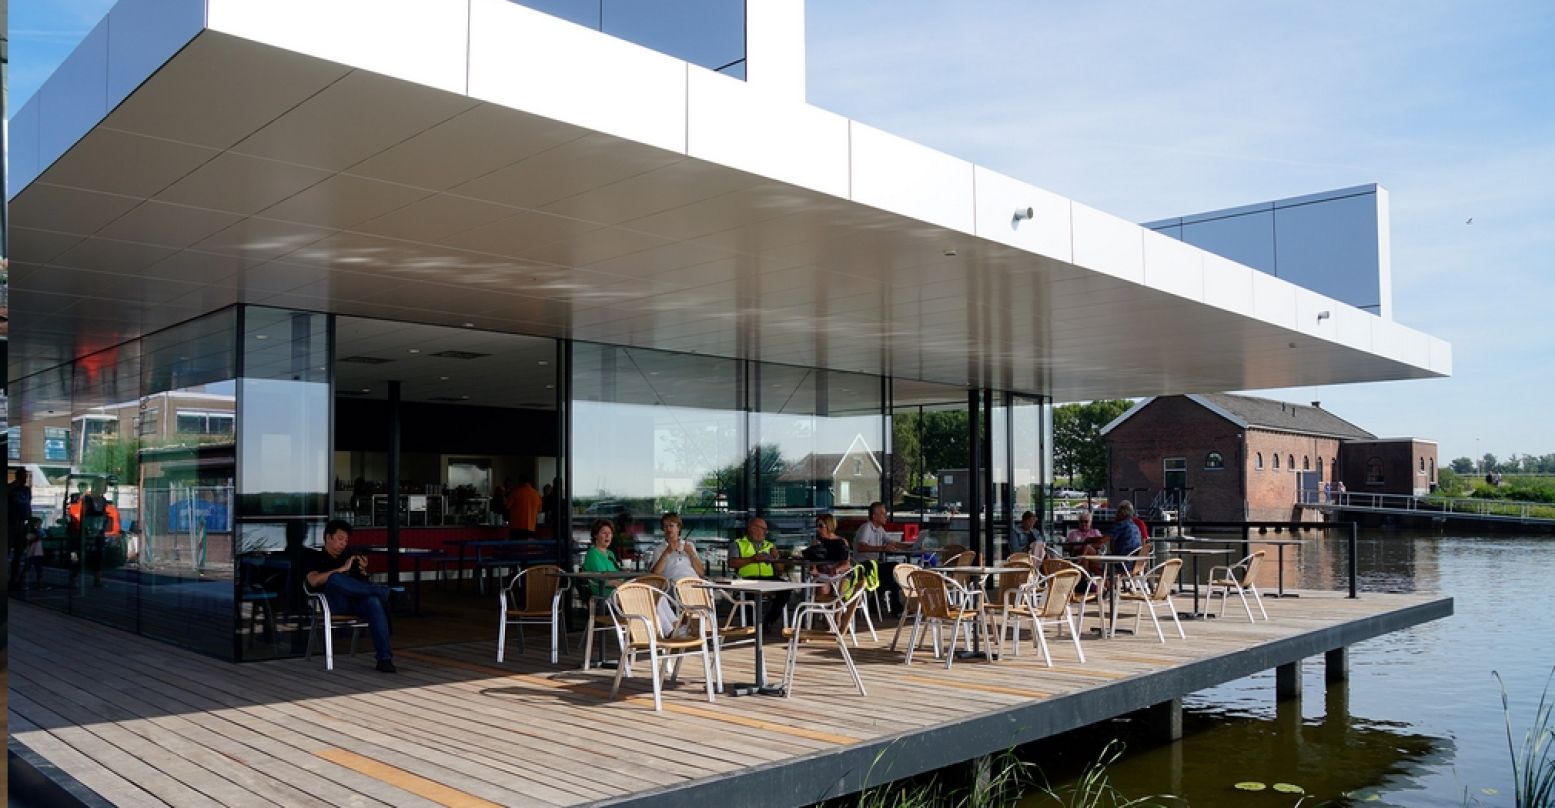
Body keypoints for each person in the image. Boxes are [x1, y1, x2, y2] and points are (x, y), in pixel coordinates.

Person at [304, 519, 396, 672]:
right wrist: (342, 569)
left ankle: (384, 659)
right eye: (340, 539)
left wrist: (363, 570)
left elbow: (362, 585)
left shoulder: (349, 556)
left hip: (355, 601)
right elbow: (313, 581)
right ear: (328, 537)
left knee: (373, 602)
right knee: (335, 578)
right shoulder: (315, 557)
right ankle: (385, 593)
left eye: (346, 540)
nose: (344, 543)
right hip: (334, 604)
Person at [730, 516, 789, 631]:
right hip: (747, 579)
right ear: (752, 528)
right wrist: (752, 559)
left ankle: (769, 621)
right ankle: (753, 625)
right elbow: (732, 563)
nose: (765, 532)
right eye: (763, 529)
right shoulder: (738, 543)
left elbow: (780, 569)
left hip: (768, 579)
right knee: (751, 593)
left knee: (786, 589)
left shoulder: (770, 545)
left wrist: (775, 557)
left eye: (766, 529)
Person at [852, 501, 906, 615]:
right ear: (874, 516)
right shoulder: (866, 527)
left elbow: (893, 542)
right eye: (882, 513)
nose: (885, 516)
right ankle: (892, 606)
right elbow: (861, 547)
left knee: (893, 576)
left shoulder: (879, 529)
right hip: (863, 566)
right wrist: (882, 548)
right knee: (894, 568)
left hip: (873, 565)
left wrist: (911, 545)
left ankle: (882, 604)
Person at [648, 512, 705, 583]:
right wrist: (666, 553)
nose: (668, 529)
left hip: (694, 584)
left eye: (671, 526)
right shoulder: (659, 549)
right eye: (665, 526)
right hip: (673, 585)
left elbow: (701, 573)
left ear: (678, 528)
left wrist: (691, 553)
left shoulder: (689, 545)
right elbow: (655, 575)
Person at [806, 513, 853, 597]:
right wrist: (814, 569)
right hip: (823, 576)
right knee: (822, 586)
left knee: (843, 583)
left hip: (839, 576)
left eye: (820, 526)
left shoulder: (841, 542)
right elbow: (812, 561)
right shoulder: (817, 542)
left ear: (829, 526)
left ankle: (839, 606)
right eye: (817, 526)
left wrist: (837, 569)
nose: (818, 529)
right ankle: (824, 608)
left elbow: (847, 564)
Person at [9, 468, 33, 587]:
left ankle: (15, 577)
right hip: (10, 523)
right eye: (22, 476)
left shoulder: (27, 490)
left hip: (22, 523)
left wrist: (30, 519)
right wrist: (13, 485)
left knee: (19, 552)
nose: (24, 479)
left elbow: (28, 505)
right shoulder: (11, 488)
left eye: (25, 476)